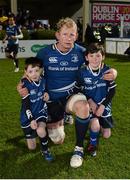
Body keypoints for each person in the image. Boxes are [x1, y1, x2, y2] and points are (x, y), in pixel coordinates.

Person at [17, 17, 117, 164]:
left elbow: (98, 63)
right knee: (58, 140)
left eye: (72, 34)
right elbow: (30, 71)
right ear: (57, 35)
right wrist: (20, 85)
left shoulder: (81, 52)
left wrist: (114, 72)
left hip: (72, 96)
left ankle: (78, 149)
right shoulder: (45, 53)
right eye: (65, 34)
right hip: (51, 100)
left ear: (76, 36)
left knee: (83, 107)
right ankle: (63, 117)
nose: (68, 38)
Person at [72, 43, 116, 166]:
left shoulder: (107, 71)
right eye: (91, 56)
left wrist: (102, 106)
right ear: (87, 57)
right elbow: (77, 90)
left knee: (106, 134)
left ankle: (95, 130)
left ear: (103, 57)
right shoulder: (82, 72)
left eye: (98, 56)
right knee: (95, 126)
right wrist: (90, 100)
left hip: (104, 105)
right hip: (90, 105)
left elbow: (112, 91)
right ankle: (92, 144)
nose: (95, 59)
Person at [19, 57, 53, 161]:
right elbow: (26, 105)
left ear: (40, 70)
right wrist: (31, 120)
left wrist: (47, 94)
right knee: (32, 147)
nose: (34, 74)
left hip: (40, 113)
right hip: (27, 116)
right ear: (26, 72)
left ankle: (45, 150)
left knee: (41, 130)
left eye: (36, 71)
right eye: (30, 71)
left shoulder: (43, 80)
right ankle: (33, 134)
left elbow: (45, 90)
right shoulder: (25, 85)